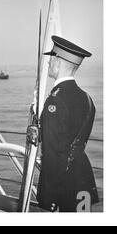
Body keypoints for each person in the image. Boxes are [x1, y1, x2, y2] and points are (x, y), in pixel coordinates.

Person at [37, 35, 99, 212]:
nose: (48, 63)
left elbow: (53, 154)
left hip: (63, 187)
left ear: (57, 62)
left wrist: (49, 198)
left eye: (51, 59)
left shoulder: (55, 102)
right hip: (84, 180)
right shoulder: (87, 99)